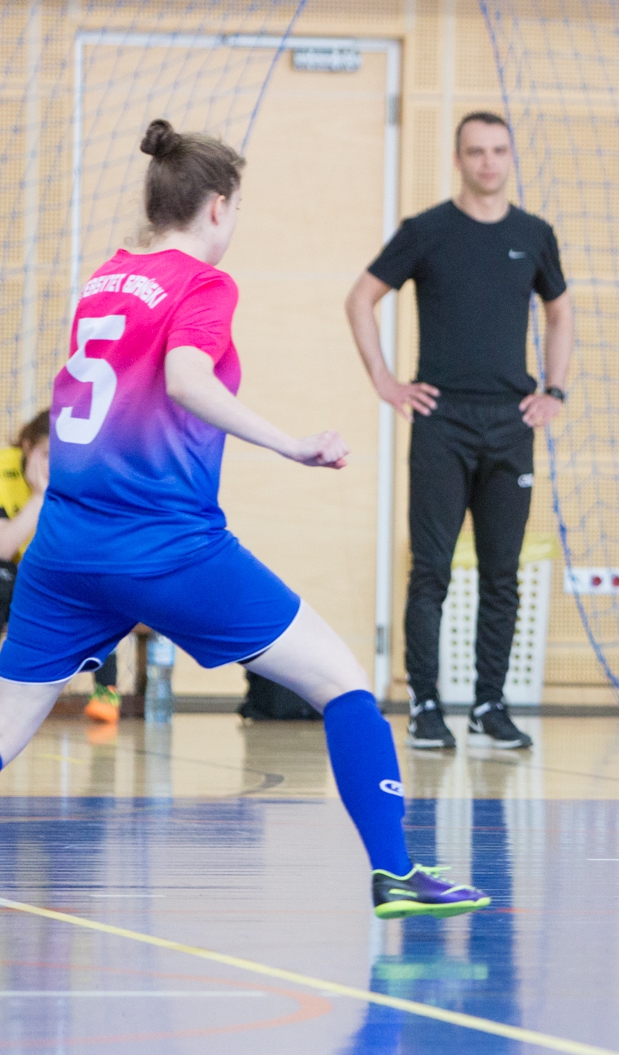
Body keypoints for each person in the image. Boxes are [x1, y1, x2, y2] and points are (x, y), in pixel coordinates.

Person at [0, 118, 489, 919]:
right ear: (219, 207)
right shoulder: (203, 285)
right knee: (343, 682)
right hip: (166, 544)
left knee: (9, 718)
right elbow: (186, 379)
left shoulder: (106, 278)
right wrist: (291, 444)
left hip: (65, 545)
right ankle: (395, 872)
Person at [347, 111, 572, 752]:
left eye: (498, 150)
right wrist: (385, 381)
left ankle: (489, 705)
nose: (488, 162)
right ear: (458, 159)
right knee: (432, 571)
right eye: (476, 151)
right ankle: (424, 705)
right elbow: (360, 299)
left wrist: (553, 390)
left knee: (502, 573)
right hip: (441, 423)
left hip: (510, 424)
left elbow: (560, 313)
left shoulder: (534, 234)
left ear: (510, 156)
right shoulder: (426, 231)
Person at [0, 412, 121, 723]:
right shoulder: (2, 470)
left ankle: (106, 690)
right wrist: (39, 496)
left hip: (55, 572)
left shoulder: (79, 478)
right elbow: (3, 547)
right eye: (46, 454)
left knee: (102, 587)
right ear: (27, 447)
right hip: (12, 571)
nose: (53, 465)